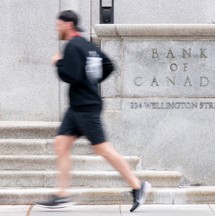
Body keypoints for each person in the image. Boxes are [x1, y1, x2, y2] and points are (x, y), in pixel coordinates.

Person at [35, 10, 151, 212]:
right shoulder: (88, 45)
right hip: (79, 106)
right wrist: (92, 80)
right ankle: (62, 194)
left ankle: (138, 185)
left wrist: (58, 62)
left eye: (59, 25)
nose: (57, 29)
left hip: (85, 107)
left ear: (69, 24)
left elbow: (71, 76)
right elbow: (108, 65)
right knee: (61, 144)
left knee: (102, 149)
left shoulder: (72, 46)